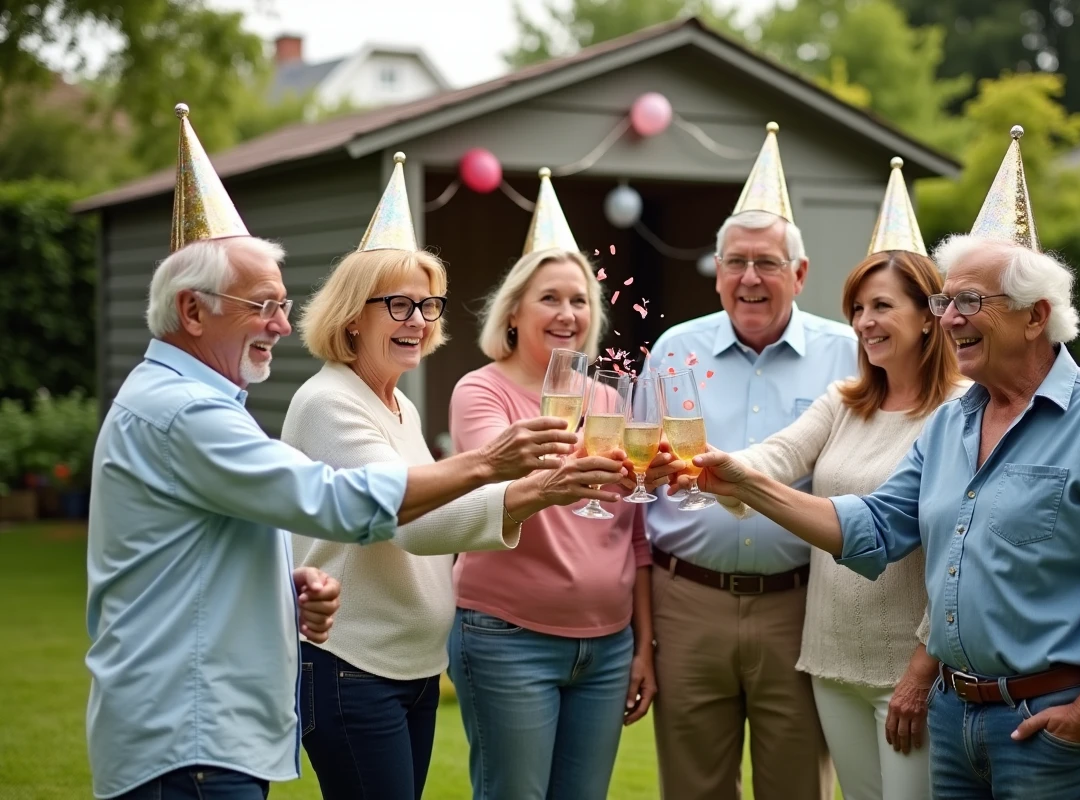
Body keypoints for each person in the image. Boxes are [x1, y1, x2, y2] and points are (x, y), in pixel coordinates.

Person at [85, 107, 582, 800]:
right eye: (261, 306)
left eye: (428, 305)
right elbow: (342, 502)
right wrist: (500, 466)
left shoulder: (209, 406)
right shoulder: (190, 412)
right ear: (193, 312)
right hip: (193, 729)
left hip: (217, 722)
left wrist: (285, 590)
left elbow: (204, 550)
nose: (281, 325)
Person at [688, 127, 1080, 799]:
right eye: (944, 300)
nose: (950, 317)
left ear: (1036, 316)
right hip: (958, 721)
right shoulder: (953, 423)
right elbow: (872, 530)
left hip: (1052, 729)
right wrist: (747, 482)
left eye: (968, 302)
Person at [279, 155, 626, 800]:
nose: (418, 319)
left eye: (428, 304)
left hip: (407, 663)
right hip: (355, 665)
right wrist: (532, 485)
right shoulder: (330, 401)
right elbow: (413, 520)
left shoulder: (396, 403)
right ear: (353, 315)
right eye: (399, 305)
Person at [714, 158, 964, 800]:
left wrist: (922, 665)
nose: (864, 323)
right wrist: (707, 467)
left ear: (929, 315)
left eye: (882, 306)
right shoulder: (845, 400)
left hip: (909, 670)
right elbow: (774, 455)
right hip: (830, 660)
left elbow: (959, 554)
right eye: (857, 308)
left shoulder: (961, 414)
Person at [645, 122, 856, 800]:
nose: (749, 277)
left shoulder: (848, 354)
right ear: (717, 274)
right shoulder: (673, 351)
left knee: (795, 785)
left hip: (799, 603)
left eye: (767, 262)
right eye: (735, 262)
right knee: (692, 786)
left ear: (799, 273)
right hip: (685, 602)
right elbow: (640, 486)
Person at [446, 169, 654, 800]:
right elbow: (496, 478)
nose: (567, 314)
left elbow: (635, 534)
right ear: (514, 312)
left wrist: (643, 644)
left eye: (580, 300)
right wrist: (578, 471)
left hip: (609, 645)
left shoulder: (609, 398)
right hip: (509, 638)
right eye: (550, 298)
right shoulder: (481, 390)